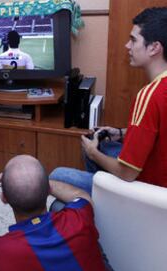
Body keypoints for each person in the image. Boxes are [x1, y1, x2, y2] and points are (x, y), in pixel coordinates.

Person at [49, 7, 167, 195]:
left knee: (56, 176)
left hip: (148, 192)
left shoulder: (150, 95)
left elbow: (127, 173)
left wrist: (93, 153)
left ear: (154, 48)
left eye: (133, 40)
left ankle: (108, 203)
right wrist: (120, 133)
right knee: (98, 139)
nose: (127, 46)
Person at [0, 155, 111, 271]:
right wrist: (36, 181)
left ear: (4, 198)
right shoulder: (79, 218)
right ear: (48, 190)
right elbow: (83, 196)